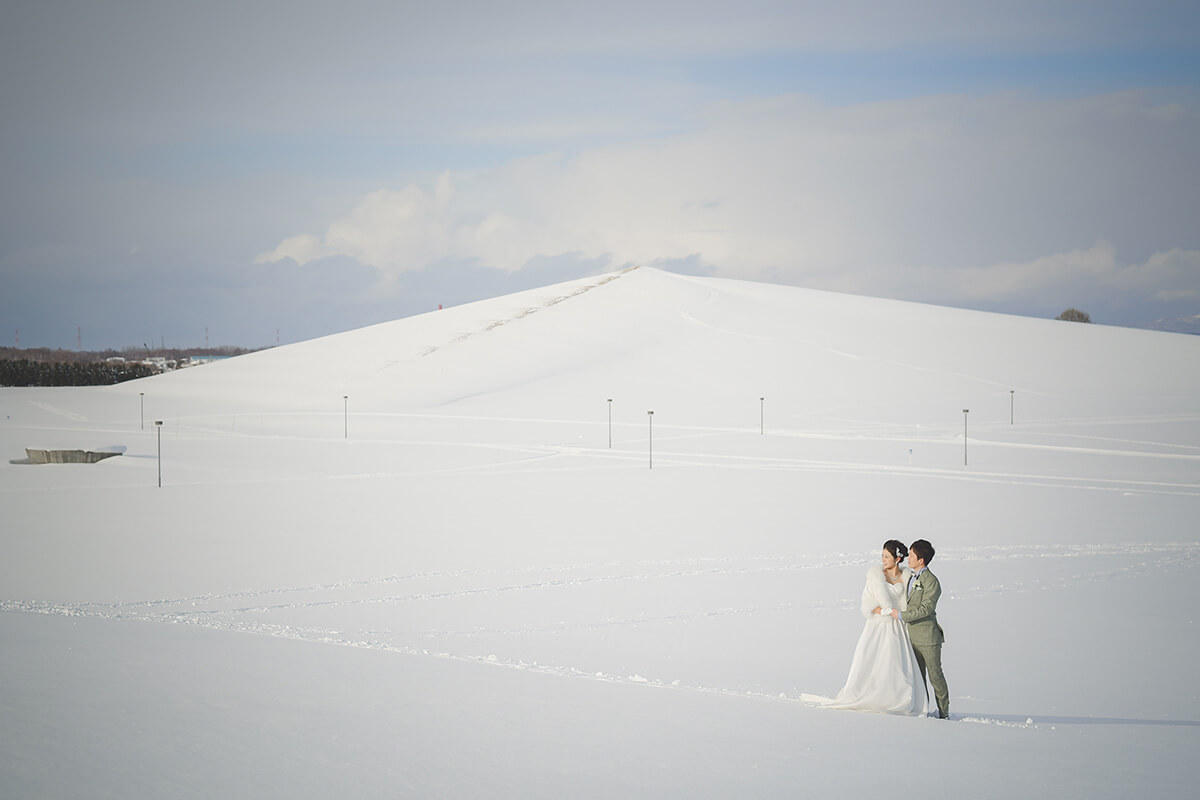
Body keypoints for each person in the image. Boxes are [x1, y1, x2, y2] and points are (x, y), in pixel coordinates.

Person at [803, 540, 926, 715]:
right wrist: (883, 610)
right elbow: (867, 602)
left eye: (887, 556)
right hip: (877, 625)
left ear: (898, 558)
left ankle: (895, 696)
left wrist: (899, 614)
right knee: (871, 659)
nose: (883, 559)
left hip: (897, 626)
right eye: (882, 555)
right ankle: (870, 694)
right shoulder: (876, 577)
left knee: (897, 666)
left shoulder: (907, 577)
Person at [889, 539, 949, 719]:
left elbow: (926, 609)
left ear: (921, 560)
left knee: (935, 676)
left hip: (928, 638)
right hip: (911, 637)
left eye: (913, 556)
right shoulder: (909, 577)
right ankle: (923, 709)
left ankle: (944, 712)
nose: (909, 558)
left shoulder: (931, 582)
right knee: (917, 678)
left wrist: (901, 616)